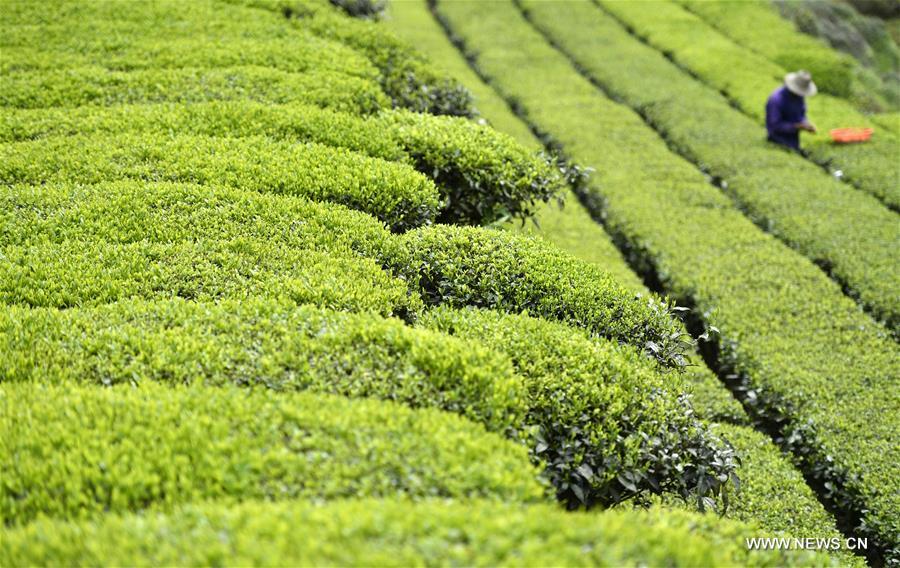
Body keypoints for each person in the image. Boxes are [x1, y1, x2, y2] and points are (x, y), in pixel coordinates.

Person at [765, 70, 818, 150]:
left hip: (794, 140)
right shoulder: (776, 99)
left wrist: (806, 124)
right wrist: (796, 126)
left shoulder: (799, 97)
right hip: (776, 140)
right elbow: (774, 126)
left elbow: (801, 114)